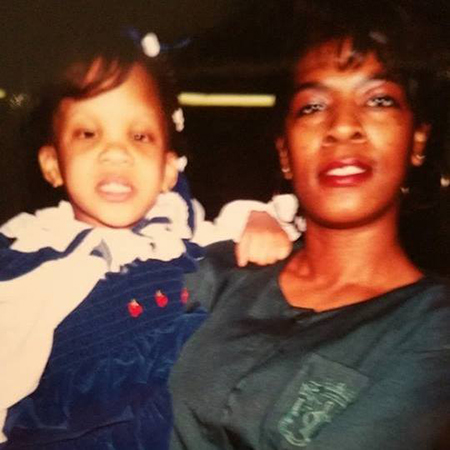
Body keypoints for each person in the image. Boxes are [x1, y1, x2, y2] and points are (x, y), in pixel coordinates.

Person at [169, 1, 450, 448]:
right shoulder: (221, 271)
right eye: (313, 107)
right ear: (284, 153)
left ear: (418, 141)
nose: (342, 127)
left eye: (378, 100)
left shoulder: (434, 331)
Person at [0, 30, 296, 449]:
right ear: (52, 164)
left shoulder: (173, 232)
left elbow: (225, 232)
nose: (116, 152)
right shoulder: (35, 260)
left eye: (139, 136)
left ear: (168, 171)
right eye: (89, 134)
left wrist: (259, 217)